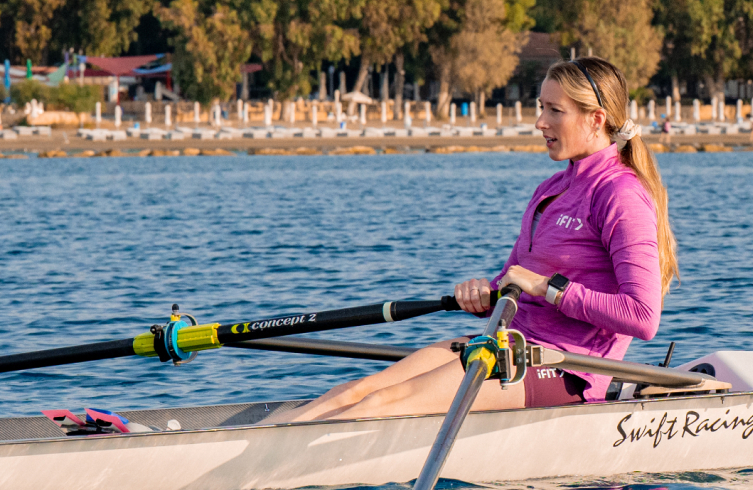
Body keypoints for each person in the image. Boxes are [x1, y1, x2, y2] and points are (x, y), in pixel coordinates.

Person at [282, 56, 678, 423]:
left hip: (566, 368)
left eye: (554, 111)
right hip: (505, 343)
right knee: (355, 391)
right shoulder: (551, 190)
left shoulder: (621, 195)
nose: (541, 122)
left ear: (596, 119)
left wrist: (546, 287)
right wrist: (483, 295)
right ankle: (234, 459)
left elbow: (642, 318)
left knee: (380, 406)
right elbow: (511, 280)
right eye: (541, 107)